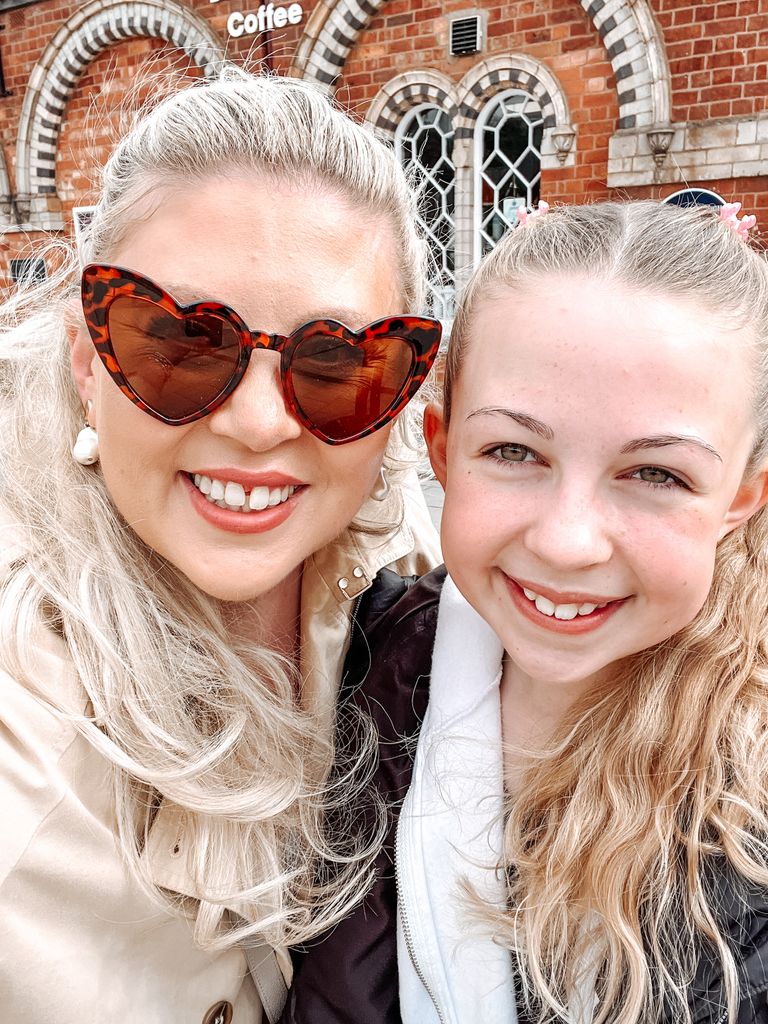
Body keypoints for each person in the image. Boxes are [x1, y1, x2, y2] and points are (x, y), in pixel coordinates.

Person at [0, 69, 442, 1024]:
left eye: (333, 366)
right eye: (182, 343)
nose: (254, 424)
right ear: (88, 362)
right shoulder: (23, 728)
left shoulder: (400, 544)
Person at [283, 199, 768, 1024]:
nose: (570, 542)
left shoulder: (746, 811)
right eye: (514, 451)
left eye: (656, 474)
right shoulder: (354, 671)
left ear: (741, 498)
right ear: (442, 450)